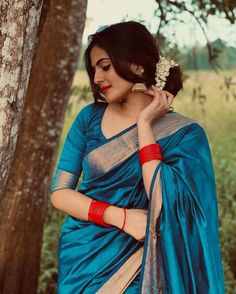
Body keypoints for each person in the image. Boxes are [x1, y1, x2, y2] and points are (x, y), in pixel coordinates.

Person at [50, 21, 225, 293]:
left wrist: (145, 124)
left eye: (105, 66)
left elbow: (164, 200)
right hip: (83, 259)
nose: (97, 78)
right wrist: (118, 217)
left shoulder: (185, 135)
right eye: (94, 69)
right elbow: (59, 192)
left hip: (145, 260)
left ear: (138, 66)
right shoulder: (88, 119)